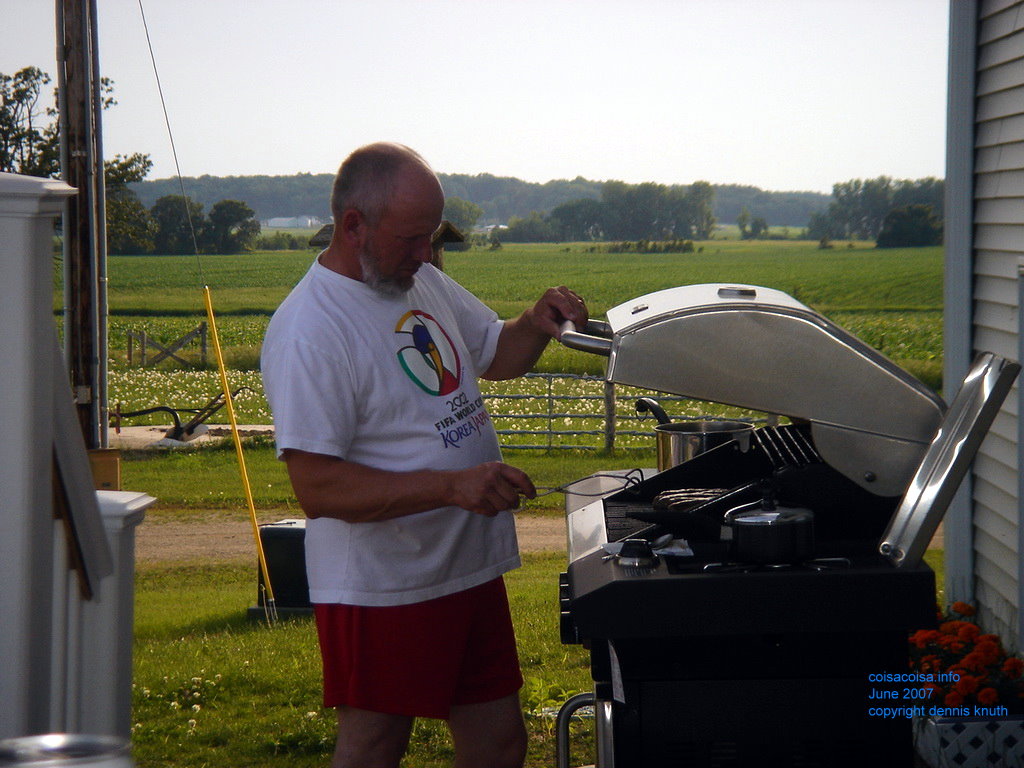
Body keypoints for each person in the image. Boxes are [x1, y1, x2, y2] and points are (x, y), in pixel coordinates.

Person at [260, 142, 587, 768]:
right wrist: (450, 487)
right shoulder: (310, 331)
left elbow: (498, 353)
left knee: (499, 743)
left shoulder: (421, 280)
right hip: (384, 586)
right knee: (376, 747)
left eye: (430, 236)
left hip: (465, 566)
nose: (425, 253)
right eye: (412, 238)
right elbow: (318, 489)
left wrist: (536, 322)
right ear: (352, 225)